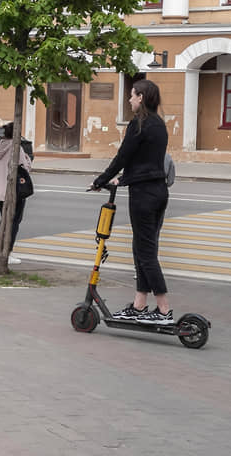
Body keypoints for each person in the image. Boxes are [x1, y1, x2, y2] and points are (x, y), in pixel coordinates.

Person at [92, 79, 173, 324]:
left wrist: (101, 180)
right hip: (158, 191)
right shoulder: (159, 124)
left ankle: (163, 310)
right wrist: (123, 180)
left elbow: (123, 156)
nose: (129, 99)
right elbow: (145, 159)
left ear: (141, 97)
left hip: (144, 195)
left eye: (132, 95)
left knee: (146, 253)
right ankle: (139, 305)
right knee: (143, 249)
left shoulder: (139, 123)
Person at [0, 122, 32, 265]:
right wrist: (28, 159)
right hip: (13, 191)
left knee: (4, 221)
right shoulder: (16, 148)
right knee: (13, 222)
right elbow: (24, 169)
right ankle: (7, 253)